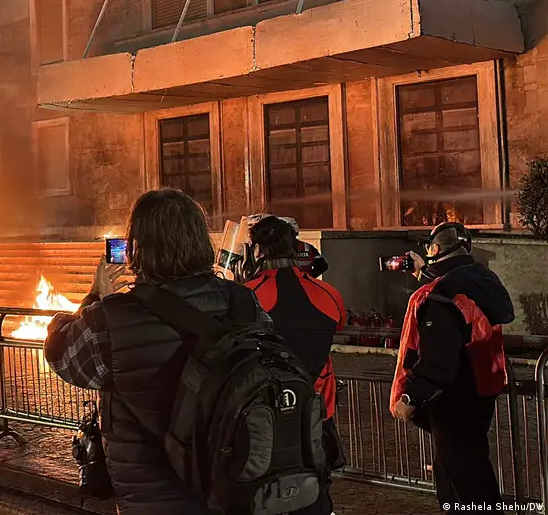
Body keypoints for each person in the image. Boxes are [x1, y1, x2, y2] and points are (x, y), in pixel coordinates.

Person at [44, 188, 272, 514]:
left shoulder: (113, 317)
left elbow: (62, 356)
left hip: (153, 501)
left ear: (136, 248)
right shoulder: (243, 302)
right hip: (235, 491)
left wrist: (94, 297)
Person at [389, 222, 512, 512]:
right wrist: (424, 274)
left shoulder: (442, 296)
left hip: (450, 400)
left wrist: (411, 396)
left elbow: (438, 357)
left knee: (463, 487)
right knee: (469, 474)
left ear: (434, 249)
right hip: (478, 391)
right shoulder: (479, 281)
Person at [244, 216, 345, 515]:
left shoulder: (248, 295)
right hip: (318, 411)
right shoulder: (330, 295)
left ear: (258, 250)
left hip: (265, 414)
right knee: (316, 490)